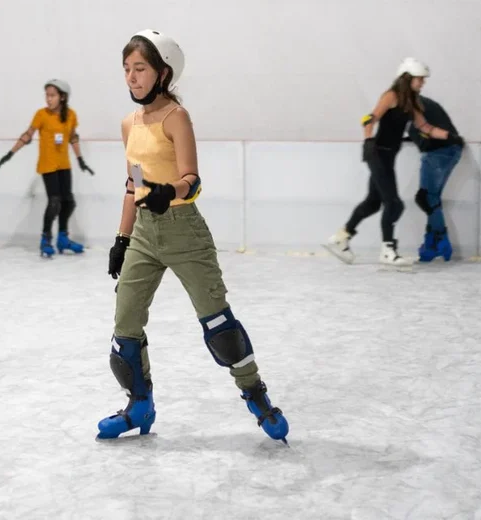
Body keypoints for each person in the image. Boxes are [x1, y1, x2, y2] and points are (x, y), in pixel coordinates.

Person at [98, 30, 289, 443]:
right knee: (124, 328)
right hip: (145, 236)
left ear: (163, 72)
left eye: (140, 69)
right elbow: (132, 184)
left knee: (219, 326)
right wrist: (122, 238)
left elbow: (192, 179)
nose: (132, 78)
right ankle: (139, 408)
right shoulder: (128, 124)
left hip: (184, 231)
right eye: (127, 70)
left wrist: (171, 191)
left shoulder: (175, 118)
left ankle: (256, 395)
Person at [324, 58, 463, 266]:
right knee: (394, 204)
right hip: (377, 153)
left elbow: (425, 127)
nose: (422, 83)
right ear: (407, 78)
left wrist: (449, 136)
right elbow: (370, 118)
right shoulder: (391, 96)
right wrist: (368, 139)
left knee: (373, 202)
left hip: (389, 155)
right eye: (419, 79)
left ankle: (341, 238)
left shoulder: (412, 102)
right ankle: (388, 251)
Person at [0, 79, 94, 257]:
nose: (48, 99)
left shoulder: (70, 115)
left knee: (69, 202)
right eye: (47, 95)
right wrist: (10, 154)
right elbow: (28, 135)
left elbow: (73, 137)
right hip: (48, 166)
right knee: (54, 202)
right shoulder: (41, 115)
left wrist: (80, 160)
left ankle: (63, 238)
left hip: (64, 165)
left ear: (62, 97)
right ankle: (45, 239)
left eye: (52, 95)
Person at [406, 95, 464, 261]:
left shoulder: (413, 103)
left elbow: (427, 128)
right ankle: (431, 243)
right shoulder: (422, 103)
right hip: (448, 150)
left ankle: (440, 241)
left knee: (425, 197)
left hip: (439, 151)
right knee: (431, 199)